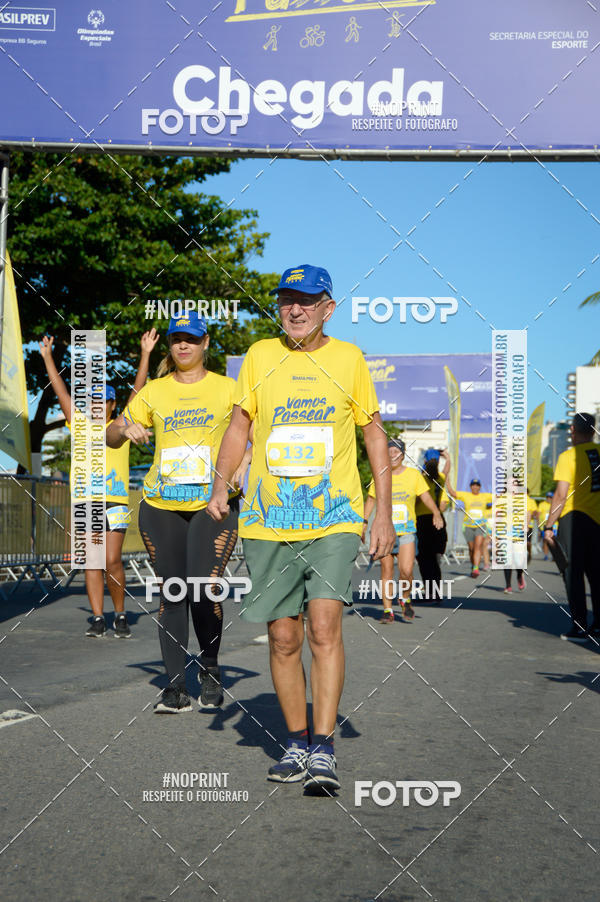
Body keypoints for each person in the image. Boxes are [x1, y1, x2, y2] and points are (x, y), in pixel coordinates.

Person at [207, 264, 395, 793]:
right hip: (269, 520)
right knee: (283, 636)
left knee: (322, 628)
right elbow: (239, 427)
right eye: (287, 299)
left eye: (307, 300)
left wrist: (379, 510)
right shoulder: (260, 357)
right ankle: (295, 741)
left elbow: (373, 437)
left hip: (334, 516)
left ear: (328, 308)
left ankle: (325, 747)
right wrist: (221, 486)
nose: (295, 308)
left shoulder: (349, 359)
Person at [106, 313, 251, 711]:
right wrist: (125, 429)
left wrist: (245, 459)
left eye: (191, 339)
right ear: (170, 346)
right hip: (161, 505)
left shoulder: (229, 388)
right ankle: (174, 688)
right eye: (176, 340)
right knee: (173, 592)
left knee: (204, 586)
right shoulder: (154, 392)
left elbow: (256, 431)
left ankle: (210, 665)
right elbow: (111, 435)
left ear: (206, 343)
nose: (183, 345)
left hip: (212, 505)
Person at [39, 331, 158, 637]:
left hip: (115, 500)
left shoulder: (122, 425)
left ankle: (119, 613)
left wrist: (145, 354)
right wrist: (48, 358)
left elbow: (139, 391)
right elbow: (60, 390)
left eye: (102, 400)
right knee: (91, 562)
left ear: (111, 403)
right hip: (84, 501)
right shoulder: (76, 423)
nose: (96, 405)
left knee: (111, 559)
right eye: (91, 400)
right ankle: (97, 617)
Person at [363, 439, 444, 622]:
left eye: (395, 451)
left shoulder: (414, 475)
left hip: (406, 530)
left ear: (402, 454)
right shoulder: (380, 475)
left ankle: (405, 597)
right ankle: (387, 611)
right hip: (385, 532)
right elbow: (370, 501)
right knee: (387, 571)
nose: (392, 455)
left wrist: (436, 513)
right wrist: (364, 523)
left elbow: (425, 496)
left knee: (406, 571)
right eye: (389, 451)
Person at [543, 413, 600, 642]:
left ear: (573, 431)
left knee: (572, 573)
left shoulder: (568, 456)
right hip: (597, 521)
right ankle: (598, 626)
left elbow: (560, 495)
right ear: (594, 431)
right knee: (597, 575)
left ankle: (579, 627)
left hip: (574, 519)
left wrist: (549, 526)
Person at [415, 448, 449, 598]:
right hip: (438, 520)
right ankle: (435, 592)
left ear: (424, 461)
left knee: (424, 558)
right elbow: (446, 470)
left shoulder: (420, 479)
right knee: (434, 558)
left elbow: (416, 500)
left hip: (423, 519)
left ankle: (430, 592)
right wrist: (447, 458)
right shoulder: (440, 477)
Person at [445, 476, 492, 577]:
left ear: (480, 487)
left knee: (477, 547)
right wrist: (447, 480)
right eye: (473, 485)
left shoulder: (485, 496)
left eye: (477, 485)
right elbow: (452, 493)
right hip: (468, 526)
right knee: (471, 548)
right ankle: (473, 564)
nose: (475, 487)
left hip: (480, 525)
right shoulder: (465, 495)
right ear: (470, 487)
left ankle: (476, 568)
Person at [537, 491, 555, 559]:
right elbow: (538, 515)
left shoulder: (554, 504)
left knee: (553, 541)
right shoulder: (542, 504)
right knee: (545, 540)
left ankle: (554, 555)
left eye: (550, 497)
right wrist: (539, 525)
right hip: (544, 525)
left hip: (554, 525)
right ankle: (546, 555)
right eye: (547, 497)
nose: (549, 499)